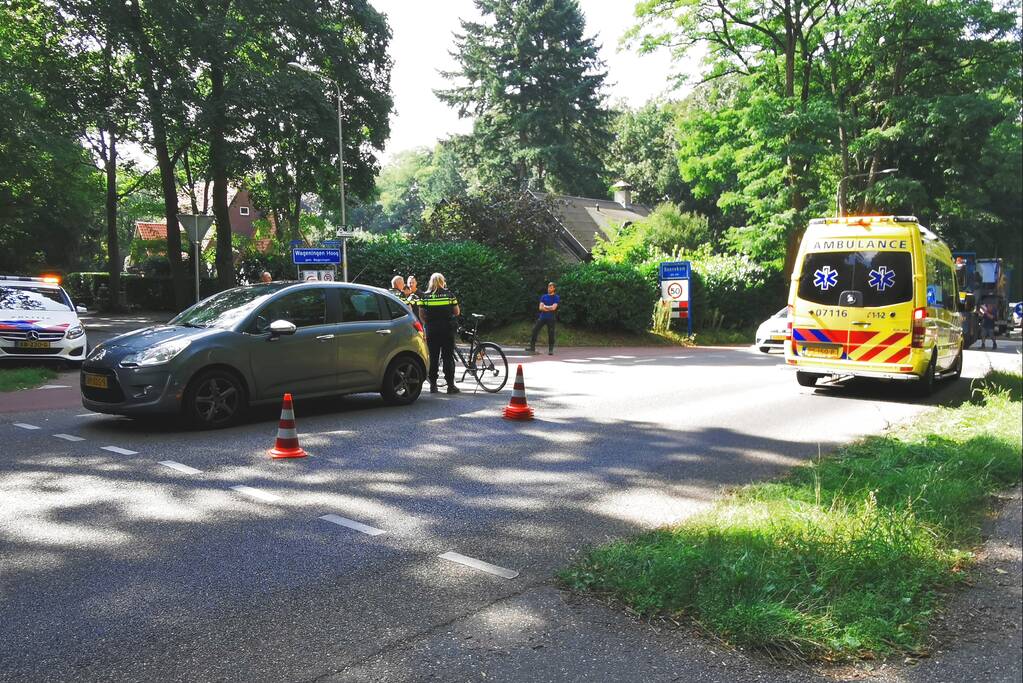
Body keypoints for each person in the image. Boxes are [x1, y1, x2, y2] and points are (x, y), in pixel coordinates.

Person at [419, 272, 460, 394]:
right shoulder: (449, 295)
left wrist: (428, 323)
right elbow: (457, 312)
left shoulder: (425, 296)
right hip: (447, 330)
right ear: (442, 281)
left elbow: (421, 314)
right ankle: (450, 385)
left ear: (431, 282)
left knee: (433, 357)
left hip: (432, 330)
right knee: (448, 357)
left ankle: (433, 385)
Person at [528, 282, 560, 355]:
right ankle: (532, 347)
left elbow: (554, 308)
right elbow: (540, 308)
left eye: (551, 287)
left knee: (551, 334)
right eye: (548, 287)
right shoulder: (543, 296)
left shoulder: (556, 297)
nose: (549, 289)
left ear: (554, 288)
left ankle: (550, 350)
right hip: (542, 317)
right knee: (535, 330)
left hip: (551, 318)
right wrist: (549, 307)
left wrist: (545, 306)